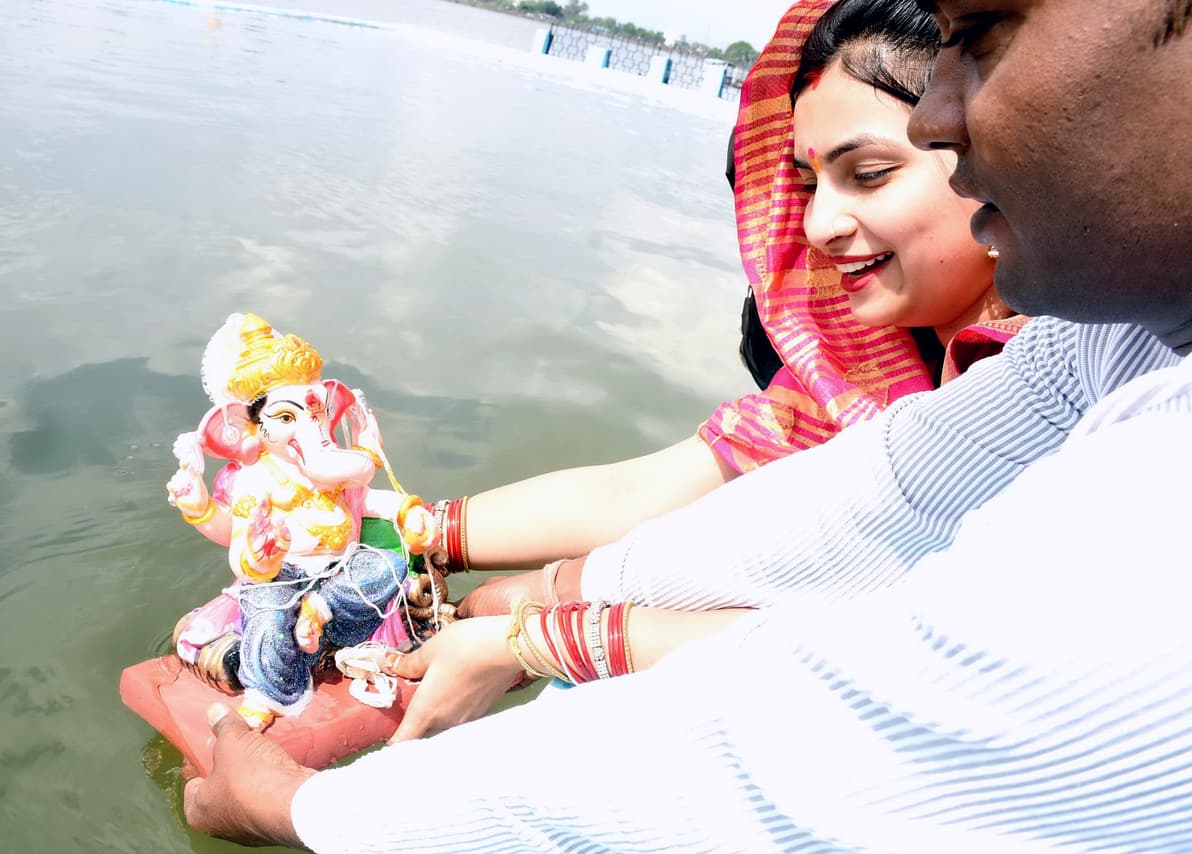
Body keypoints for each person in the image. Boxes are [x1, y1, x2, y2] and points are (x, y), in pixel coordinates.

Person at [184, 0, 1192, 848]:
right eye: (807, 181)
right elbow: (865, 493)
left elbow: (836, 734)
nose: (941, 113)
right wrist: (422, 546)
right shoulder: (1112, 340)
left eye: (984, 30)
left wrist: (313, 801)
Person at [441, 0, 1021, 577]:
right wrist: (417, 525)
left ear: (989, 156)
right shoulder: (848, 386)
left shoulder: (1060, 384)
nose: (818, 227)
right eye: (807, 184)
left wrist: (531, 632)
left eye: (867, 175)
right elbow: (636, 494)